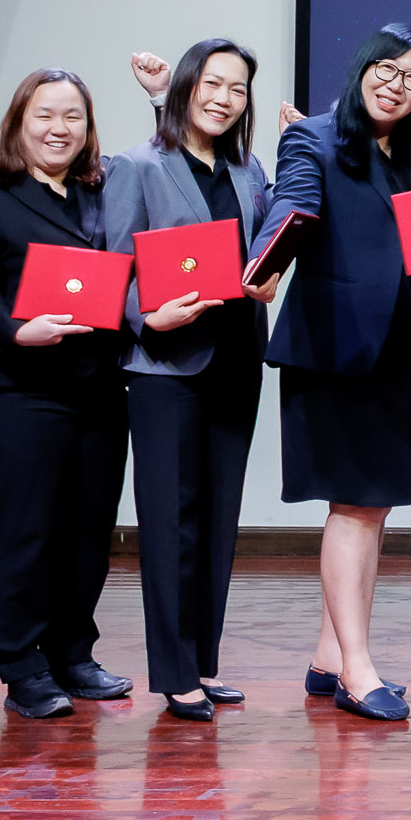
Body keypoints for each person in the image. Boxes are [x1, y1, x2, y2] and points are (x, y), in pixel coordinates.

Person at [257, 23, 411, 723]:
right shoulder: (312, 137)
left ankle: (329, 655)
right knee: (352, 506)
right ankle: (357, 669)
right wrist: (265, 261)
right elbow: (292, 206)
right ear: (362, 68)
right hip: (334, 350)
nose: (396, 85)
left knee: (374, 508)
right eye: (386, 69)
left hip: (402, 352)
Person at [103, 39, 278, 720]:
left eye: (236, 88)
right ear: (184, 87)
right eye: (212, 83)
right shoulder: (139, 166)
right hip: (165, 367)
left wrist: (267, 278)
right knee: (171, 520)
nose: (223, 97)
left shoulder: (247, 168)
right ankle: (173, 672)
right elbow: (116, 267)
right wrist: (149, 315)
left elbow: (262, 251)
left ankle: (203, 662)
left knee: (218, 519)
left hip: (235, 358)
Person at [0, 67, 130, 720]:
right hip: (19, 392)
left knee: (88, 531)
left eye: (72, 117)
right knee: (27, 531)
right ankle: (22, 666)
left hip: (99, 390)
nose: (59, 129)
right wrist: (18, 328)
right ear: (18, 125)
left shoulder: (103, 194)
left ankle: (72, 653)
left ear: (87, 128)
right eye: (44, 116)